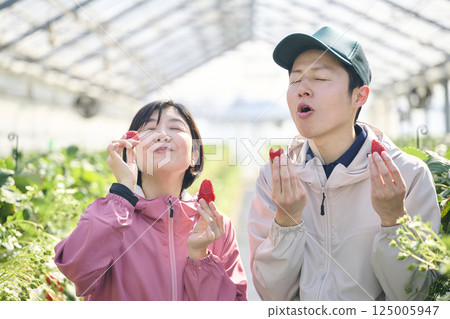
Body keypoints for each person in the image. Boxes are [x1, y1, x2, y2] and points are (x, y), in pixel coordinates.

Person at [248, 26, 441, 301]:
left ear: (359, 96)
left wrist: (393, 220)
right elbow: (271, 295)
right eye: (294, 80)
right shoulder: (275, 178)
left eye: (320, 78)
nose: (302, 89)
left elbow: (416, 296)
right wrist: (286, 222)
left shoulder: (407, 176)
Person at [55, 100, 247, 301]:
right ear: (132, 151)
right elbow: (76, 270)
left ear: (194, 155)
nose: (162, 135)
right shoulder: (111, 217)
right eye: (149, 129)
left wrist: (200, 257)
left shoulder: (215, 227)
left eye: (175, 127)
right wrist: (122, 193)